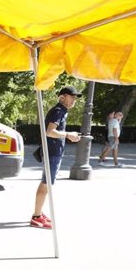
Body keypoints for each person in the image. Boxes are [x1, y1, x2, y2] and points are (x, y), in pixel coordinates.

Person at [30, 85, 82, 229]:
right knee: (46, 184)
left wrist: (68, 135)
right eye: (72, 97)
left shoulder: (61, 111)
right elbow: (50, 132)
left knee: (46, 184)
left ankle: (38, 213)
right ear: (62, 97)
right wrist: (68, 134)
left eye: (75, 98)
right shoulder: (58, 111)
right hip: (52, 153)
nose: (74, 100)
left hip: (53, 152)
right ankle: (36, 216)